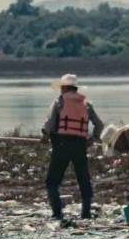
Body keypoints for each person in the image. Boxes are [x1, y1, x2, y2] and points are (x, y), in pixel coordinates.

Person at [42, 74, 104, 226]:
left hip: (61, 144)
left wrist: (45, 136)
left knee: (52, 181)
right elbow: (100, 125)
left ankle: (57, 213)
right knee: (83, 179)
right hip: (80, 145)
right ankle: (86, 213)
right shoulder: (86, 102)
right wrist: (93, 139)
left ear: (64, 87)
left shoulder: (59, 101)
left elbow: (48, 124)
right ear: (76, 88)